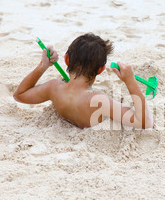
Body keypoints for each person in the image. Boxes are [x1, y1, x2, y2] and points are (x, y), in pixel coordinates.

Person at [13, 33, 154, 129]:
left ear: (67, 60)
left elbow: (19, 95)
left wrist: (42, 66)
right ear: (100, 69)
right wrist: (130, 82)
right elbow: (145, 122)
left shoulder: (54, 88)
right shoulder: (99, 101)